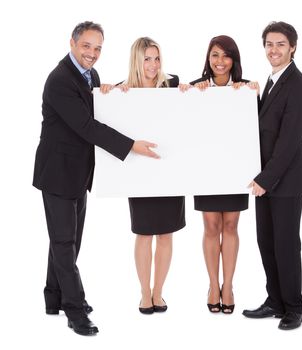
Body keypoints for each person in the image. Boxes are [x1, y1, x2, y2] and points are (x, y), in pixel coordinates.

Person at [33, 22, 159, 336]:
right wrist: (131, 145)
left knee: (65, 241)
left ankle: (54, 298)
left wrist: (113, 93)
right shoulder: (60, 80)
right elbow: (87, 126)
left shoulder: (90, 75)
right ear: (73, 43)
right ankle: (75, 311)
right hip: (57, 173)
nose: (93, 53)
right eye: (87, 46)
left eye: (98, 48)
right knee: (64, 243)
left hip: (78, 172)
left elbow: (97, 110)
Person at [101, 37, 185, 314]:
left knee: (166, 234)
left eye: (157, 58)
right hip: (141, 174)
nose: (153, 64)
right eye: (147, 58)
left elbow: (190, 113)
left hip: (169, 169)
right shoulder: (124, 89)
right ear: (137, 61)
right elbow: (107, 112)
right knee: (144, 233)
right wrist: (106, 93)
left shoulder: (172, 84)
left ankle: (159, 293)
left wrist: (189, 91)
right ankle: (144, 293)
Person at [180, 35, 259, 314]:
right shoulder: (195, 87)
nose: (220, 62)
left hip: (235, 167)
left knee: (231, 227)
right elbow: (179, 122)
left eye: (226, 56)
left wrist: (251, 93)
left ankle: (229, 285)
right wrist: (187, 92)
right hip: (206, 170)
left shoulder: (246, 89)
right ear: (208, 58)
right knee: (211, 227)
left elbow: (255, 128)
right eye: (215, 55)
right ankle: (213, 284)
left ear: (234, 60)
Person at [242, 21, 302, 330]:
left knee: (285, 244)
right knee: (266, 242)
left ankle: (294, 307)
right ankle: (275, 301)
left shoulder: (299, 85)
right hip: (266, 181)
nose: (274, 49)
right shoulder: (271, 81)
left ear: (292, 47)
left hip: (284, 183)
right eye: (269, 44)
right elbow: (265, 127)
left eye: (280, 44)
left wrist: (264, 180)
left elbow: (288, 141)